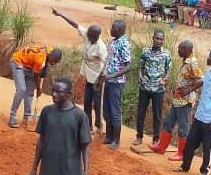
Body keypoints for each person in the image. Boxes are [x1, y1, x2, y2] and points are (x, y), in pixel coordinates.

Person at [175, 48, 211, 175]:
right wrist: (188, 90)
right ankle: (185, 166)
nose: (208, 58)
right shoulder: (208, 72)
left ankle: (205, 170)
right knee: (190, 143)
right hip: (200, 115)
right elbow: (200, 82)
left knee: (208, 146)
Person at [52, 8, 106, 134]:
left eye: (92, 36)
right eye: (89, 35)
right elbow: (75, 24)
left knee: (97, 103)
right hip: (88, 74)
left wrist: (100, 79)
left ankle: (99, 126)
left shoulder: (101, 47)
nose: (88, 37)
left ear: (97, 36)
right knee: (87, 101)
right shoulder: (87, 34)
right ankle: (88, 125)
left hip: (97, 77)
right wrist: (61, 14)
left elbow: (105, 64)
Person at [151, 40, 201, 159]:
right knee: (168, 122)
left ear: (187, 50)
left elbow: (201, 79)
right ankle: (161, 147)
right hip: (178, 99)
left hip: (185, 101)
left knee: (183, 127)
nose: (178, 51)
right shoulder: (186, 61)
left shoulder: (192, 63)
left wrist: (188, 90)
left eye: (180, 49)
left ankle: (181, 153)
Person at [7, 43, 62, 128]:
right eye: (54, 61)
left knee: (30, 92)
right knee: (21, 89)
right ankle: (12, 116)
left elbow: (44, 58)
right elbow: (36, 76)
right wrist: (39, 89)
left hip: (29, 65)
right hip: (17, 62)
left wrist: (46, 65)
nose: (53, 63)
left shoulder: (49, 49)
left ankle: (27, 117)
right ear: (51, 56)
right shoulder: (40, 60)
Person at [134, 29, 172, 148]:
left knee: (157, 115)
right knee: (141, 112)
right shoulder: (145, 51)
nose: (159, 41)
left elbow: (168, 70)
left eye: (161, 39)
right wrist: (141, 78)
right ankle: (139, 136)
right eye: (157, 38)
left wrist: (164, 80)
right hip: (145, 87)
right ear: (153, 38)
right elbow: (140, 67)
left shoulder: (166, 54)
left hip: (158, 90)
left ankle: (156, 139)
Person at [99, 19, 132, 149]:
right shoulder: (113, 42)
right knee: (106, 110)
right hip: (108, 80)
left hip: (116, 83)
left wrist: (112, 75)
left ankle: (116, 140)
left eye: (113, 28)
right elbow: (108, 60)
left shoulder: (123, 44)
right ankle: (109, 136)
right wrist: (102, 75)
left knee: (115, 111)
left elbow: (129, 66)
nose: (111, 30)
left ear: (120, 30)